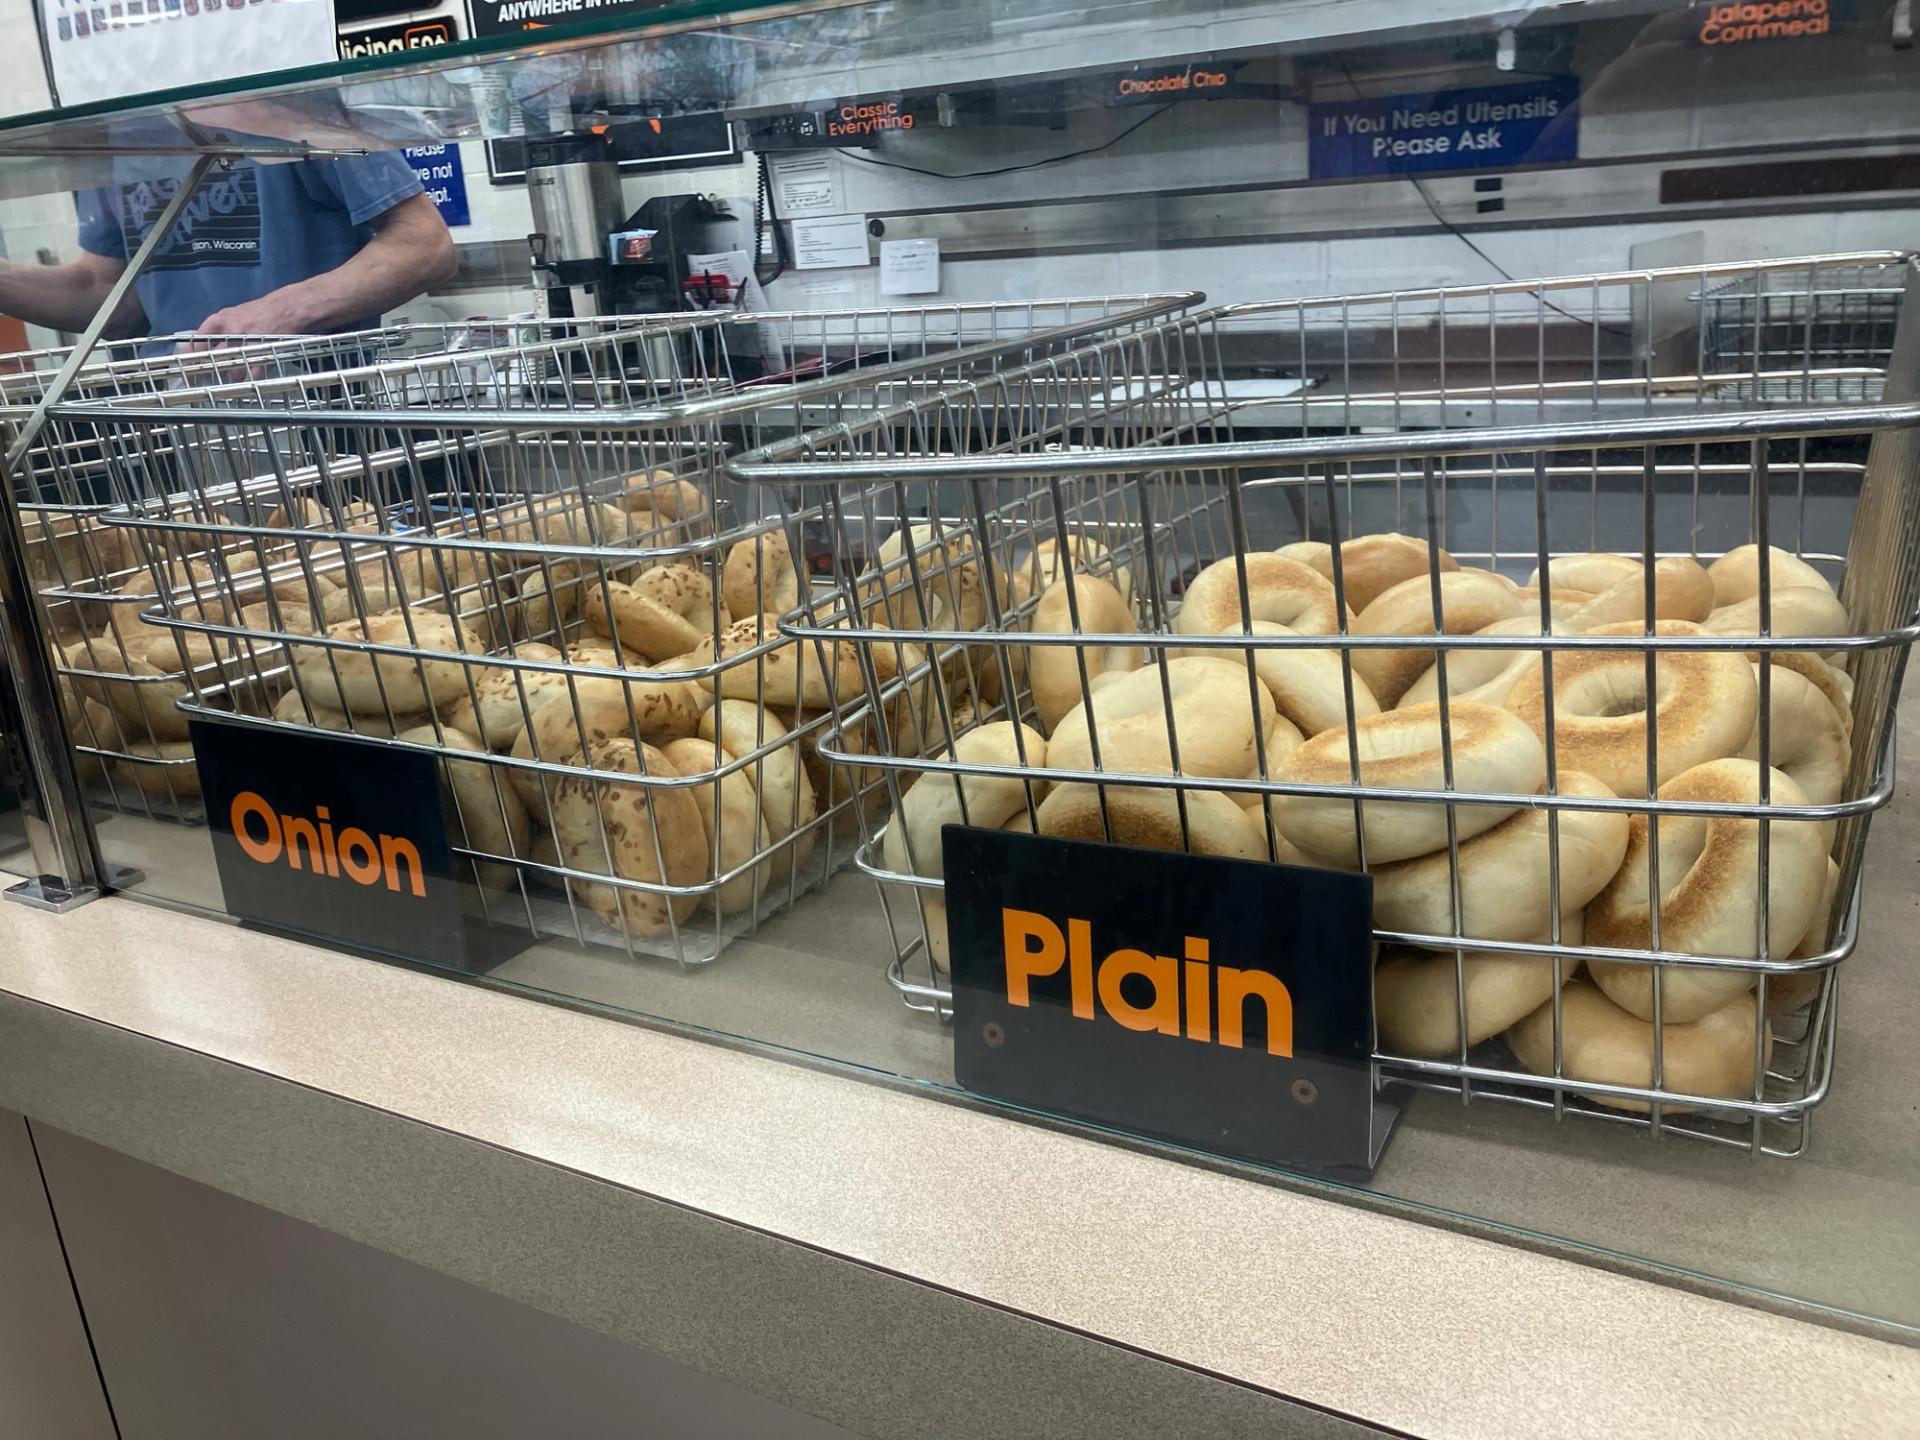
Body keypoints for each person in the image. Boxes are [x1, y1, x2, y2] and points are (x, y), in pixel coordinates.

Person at [0, 150, 456, 343]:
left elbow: (425, 245)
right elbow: (108, 295)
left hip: (320, 414)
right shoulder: (111, 128)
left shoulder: (289, 90)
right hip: (176, 418)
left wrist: (276, 314)